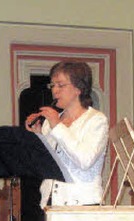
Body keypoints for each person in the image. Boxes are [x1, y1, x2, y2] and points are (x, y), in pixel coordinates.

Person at [25, 61, 109, 208]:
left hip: (83, 204)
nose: (55, 91)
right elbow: (44, 165)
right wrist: (38, 136)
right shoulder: (48, 123)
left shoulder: (96, 120)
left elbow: (85, 160)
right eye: (52, 85)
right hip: (52, 203)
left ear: (78, 88)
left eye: (60, 85)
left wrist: (57, 126)